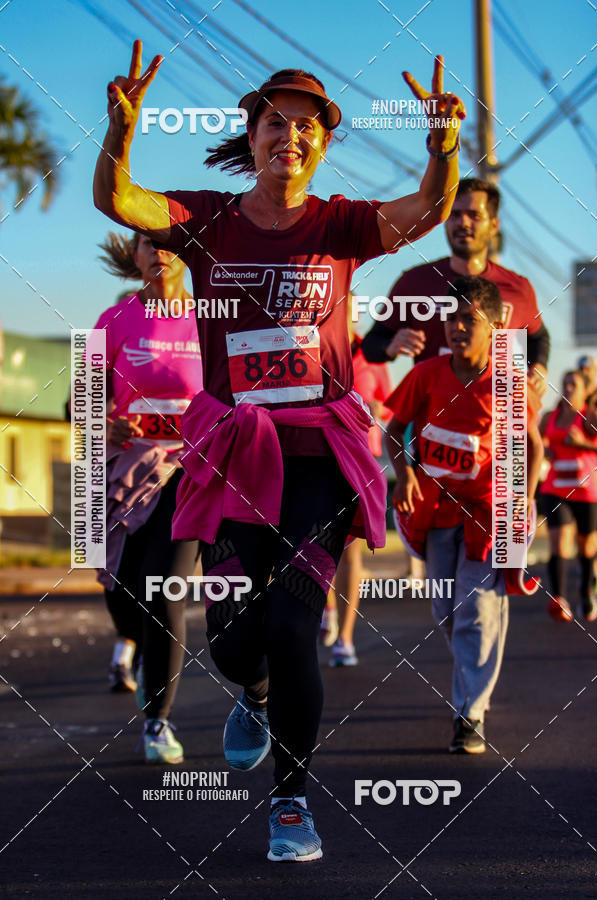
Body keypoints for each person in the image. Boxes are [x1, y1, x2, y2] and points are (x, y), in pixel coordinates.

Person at [93, 39, 465, 861]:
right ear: (252, 135)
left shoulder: (340, 223)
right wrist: (121, 131)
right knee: (232, 640)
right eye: (273, 123)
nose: (288, 137)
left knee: (298, 626)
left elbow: (427, 209)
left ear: (321, 145)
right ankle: (252, 694)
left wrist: (442, 147)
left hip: (319, 461)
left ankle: (290, 805)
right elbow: (118, 198)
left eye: (305, 127)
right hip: (234, 462)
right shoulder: (208, 219)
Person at [385, 276, 544, 754]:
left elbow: (533, 448)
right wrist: (407, 475)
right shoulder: (427, 374)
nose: (456, 327)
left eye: (468, 320)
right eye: (450, 318)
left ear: (497, 327)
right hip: (436, 511)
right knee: (446, 610)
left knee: (475, 609)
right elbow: (396, 430)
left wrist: (523, 498)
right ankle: (475, 674)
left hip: (486, 514)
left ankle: (469, 712)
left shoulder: (509, 382)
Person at [94, 230, 202, 763]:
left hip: (188, 475)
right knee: (119, 588)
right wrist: (101, 424)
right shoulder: (111, 322)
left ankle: (157, 723)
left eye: (170, 242)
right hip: (123, 474)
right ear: (133, 256)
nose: (159, 251)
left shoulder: (213, 318)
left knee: (164, 591)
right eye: (147, 242)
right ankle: (139, 648)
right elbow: (81, 406)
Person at [361, 178, 550, 398]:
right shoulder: (415, 283)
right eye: (455, 214)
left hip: (495, 420)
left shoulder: (518, 288)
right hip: (433, 421)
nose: (463, 223)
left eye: (474, 216)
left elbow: (538, 338)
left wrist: (539, 367)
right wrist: (390, 346)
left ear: (493, 225)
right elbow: (370, 346)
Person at [322, 303, 393, 666]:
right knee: (314, 545)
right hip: (320, 456)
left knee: (351, 551)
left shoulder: (373, 356)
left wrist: (378, 409)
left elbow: (392, 408)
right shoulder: (311, 347)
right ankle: (327, 605)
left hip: (361, 460)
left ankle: (345, 639)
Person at [539, 370, 597, 623]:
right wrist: (543, 449)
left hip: (587, 491)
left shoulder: (589, 417)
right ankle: (560, 599)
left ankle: (586, 591)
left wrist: (582, 444)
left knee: (586, 547)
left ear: (586, 391)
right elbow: (535, 441)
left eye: (574, 384)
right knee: (559, 540)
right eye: (565, 383)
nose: (568, 387)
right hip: (555, 489)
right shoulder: (550, 417)